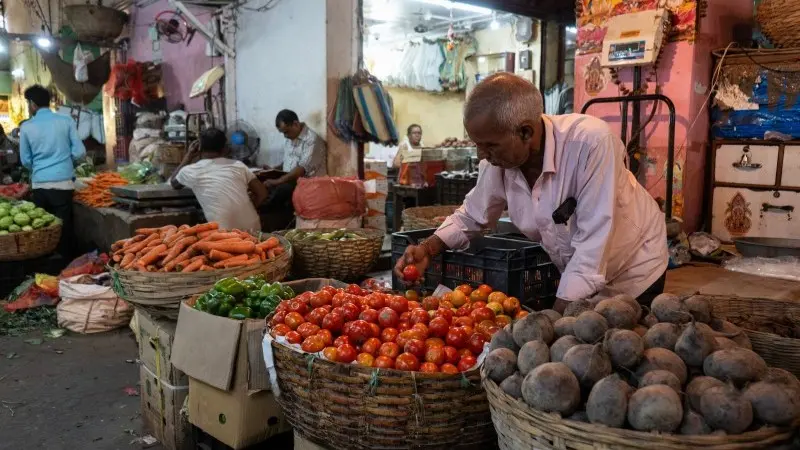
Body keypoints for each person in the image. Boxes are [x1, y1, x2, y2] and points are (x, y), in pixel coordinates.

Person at [395, 73, 668, 312]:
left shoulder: (590, 144)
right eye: (477, 145)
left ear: (525, 132)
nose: (482, 155)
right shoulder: (499, 161)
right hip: (578, 275)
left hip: (634, 267)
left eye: (489, 146)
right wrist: (428, 248)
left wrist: (552, 322)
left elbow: (591, 248)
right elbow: (471, 215)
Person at [20, 85, 85, 258]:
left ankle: (45, 269)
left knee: (45, 229)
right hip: (63, 184)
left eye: (28, 103)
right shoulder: (66, 121)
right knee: (64, 229)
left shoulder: (26, 127)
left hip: (40, 184)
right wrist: (64, 162)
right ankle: (66, 267)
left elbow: (25, 160)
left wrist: (39, 167)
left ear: (32, 104)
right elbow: (80, 152)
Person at [170, 128, 268, 232]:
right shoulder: (239, 166)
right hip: (253, 228)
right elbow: (262, 193)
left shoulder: (191, 170)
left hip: (225, 234)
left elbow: (174, 183)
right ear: (225, 148)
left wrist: (188, 156)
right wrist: (246, 210)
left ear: (199, 147)